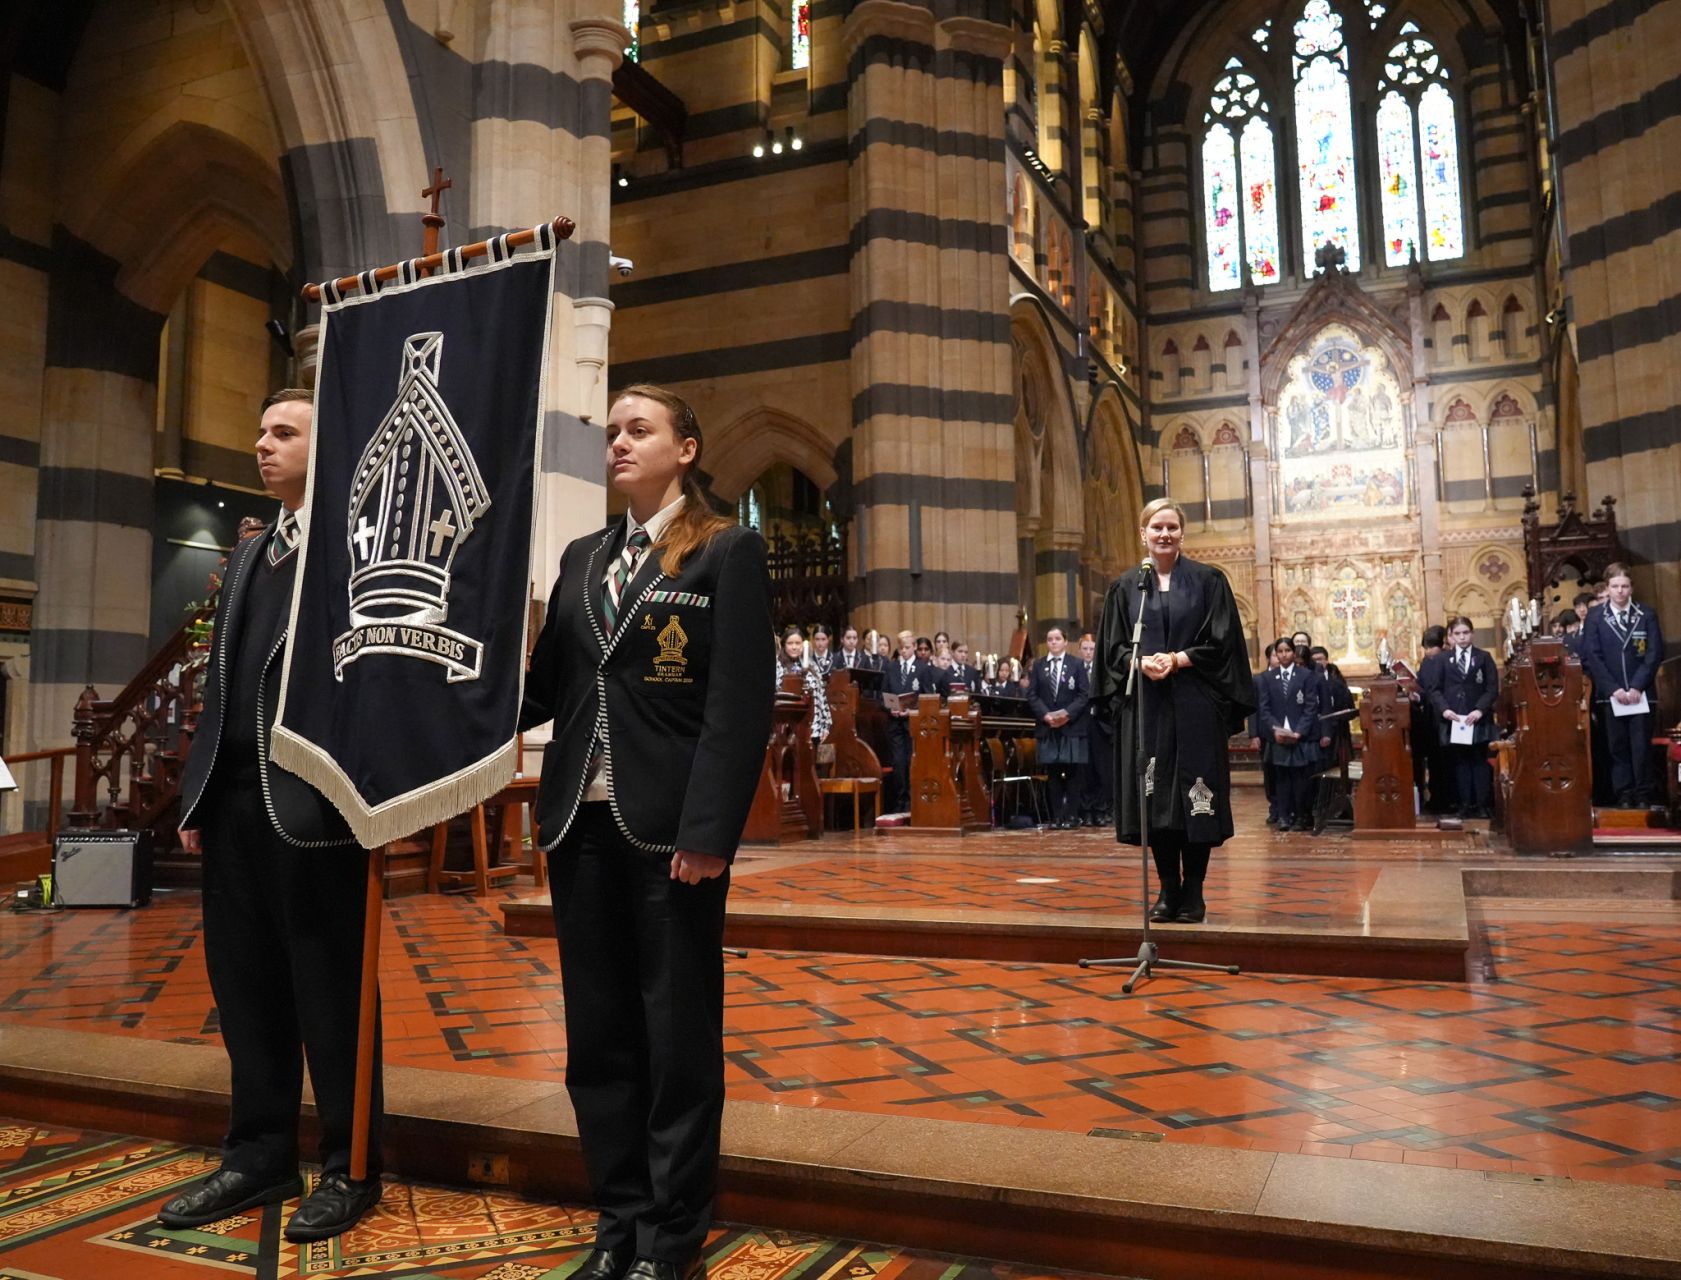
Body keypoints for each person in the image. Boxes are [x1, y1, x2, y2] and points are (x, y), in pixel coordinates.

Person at [519, 383, 774, 1280]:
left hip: (669, 832)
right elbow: (545, 687)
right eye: (613, 431)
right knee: (596, 1038)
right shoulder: (584, 557)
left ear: (685, 449)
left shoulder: (724, 550)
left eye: (640, 430)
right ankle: (617, 1219)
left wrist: (708, 830)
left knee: (675, 1040)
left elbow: (737, 707)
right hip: (577, 822)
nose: (619, 443)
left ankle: (671, 1238)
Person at [163, 388, 385, 1243]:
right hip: (234, 808)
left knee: (330, 993)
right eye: (260, 432)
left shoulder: (355, 550)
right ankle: (259, 1154)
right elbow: (221, 686)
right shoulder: (253, 552)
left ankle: (349, 1165)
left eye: (284, 433)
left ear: (325, 450)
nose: (263, 445)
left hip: (317, 808)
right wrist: (198, 792)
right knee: (246, 990)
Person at [1096, 498, 1255, 923]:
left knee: (1196, 798)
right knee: (1156, 800)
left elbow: (1224, 643)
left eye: (1171, 527)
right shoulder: (1127, 588)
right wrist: (1140, 663)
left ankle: (1194, 892)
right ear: (1143, 534)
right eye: (1156, 527)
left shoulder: (1209, 581)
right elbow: (1111, 649)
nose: (1164, 534)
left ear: (1182, 533)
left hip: (1195, 703)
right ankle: (1168, 890)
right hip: (1147, 707)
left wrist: (1178, 659)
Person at [1579, 564, 1666, 806]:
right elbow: (1592, 655)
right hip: (1611, 694)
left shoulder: (1645, 614)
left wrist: (1637, 686)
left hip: (1641, 693)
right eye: (1615, 586)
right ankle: (1624, 794)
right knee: (1617, 747)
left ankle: (1643, 794)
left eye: (1624, 586)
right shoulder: (1596, 616)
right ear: (1607, 588)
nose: (1620, 591)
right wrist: (1614, 689)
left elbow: (1654, 653)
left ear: (1631, 588)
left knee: (1641, 746)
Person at [1421, 615, 1499, 819]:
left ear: (1472, 634)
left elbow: (1492, 688)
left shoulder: (1483, 657)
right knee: (1460, 761)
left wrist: (1479, 709)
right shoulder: (1443, 659)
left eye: (1465, 633)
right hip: (1455, 718)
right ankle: (1464, 804)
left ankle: (1481, 804)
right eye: (1457, 633)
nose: (1462, 637)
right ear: (1451, 636)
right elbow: (1434, 689)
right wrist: (1445, 710)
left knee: (1479, 761)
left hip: (1477, 716)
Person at [1028, 625, 1089, 828]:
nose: (1053, 642)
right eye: (1050, 639)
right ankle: (1056, 817)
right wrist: (1045, 715)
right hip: (1048, 727)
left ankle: (1072, 816)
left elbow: (1084, 694)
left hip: (1071, 726)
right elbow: (1032, 694)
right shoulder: (1039, 665)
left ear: (1065, 641)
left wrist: (1067, 714)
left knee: (1072, 772)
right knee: (1053, 773)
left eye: (1057, 639)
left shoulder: (1076, 664)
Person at [1259, 637, 1321, 832]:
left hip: (1299, 736)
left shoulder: (1306, 675)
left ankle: (1301, 816)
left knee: (1300, 779)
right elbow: (1264, 709)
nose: (1284, 654)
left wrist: (1299, 731)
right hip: (1278, 736)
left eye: (1287, 650)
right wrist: (1276, 729)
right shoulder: (1268, 678)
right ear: (1276, 654)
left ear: (1294, 652)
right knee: (1282, 778)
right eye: (1280, 651)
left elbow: (1310, 706)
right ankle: (1284, 816)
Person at [881, 630, 932, 812]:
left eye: (907, 647)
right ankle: (900, 801)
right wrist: (890, 709)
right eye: (901, 648)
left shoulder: (922, 668)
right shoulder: (892, 668)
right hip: (895, 724)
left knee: (912, 761)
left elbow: (928, 697)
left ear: (914, 647)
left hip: (913, 724)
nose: (904, 651)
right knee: (898, 763)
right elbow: (884, 695)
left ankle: (912, 801)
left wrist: (913, 710)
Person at [1411, 624, 1454, 814]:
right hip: (1430, 718)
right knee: (1435, 760)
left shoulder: (1448, 659)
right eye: (1425, 647)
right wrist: (1415, 695)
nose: (1428, 651)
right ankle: (1436, 798)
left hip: (1446, 715)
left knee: (1448, 760)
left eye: (1431, 647)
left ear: (1442, 644)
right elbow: (1422, 688)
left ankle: (1449, 800)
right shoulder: (1426, 663)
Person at [1076, 634, 1114, 826]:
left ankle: (1100, 809)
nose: (1089, 653)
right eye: (1085, 649)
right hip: (1081, 723)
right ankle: (1086, 810)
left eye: (1092, 649)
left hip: (1100, 724)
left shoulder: (1102, 669)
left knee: (1102, 769)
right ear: (1079, 649)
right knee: (1085, 770)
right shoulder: (1076, 668)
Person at [777, 625, 831, 744]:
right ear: (784, 645)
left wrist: (826, 723)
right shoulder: (778, 665)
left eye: (798, 643)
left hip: (814, 725)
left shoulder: (811, 665)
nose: (794, 647)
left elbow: (822, 695)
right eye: (790, 643)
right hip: (788, 726)